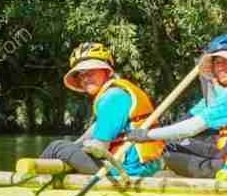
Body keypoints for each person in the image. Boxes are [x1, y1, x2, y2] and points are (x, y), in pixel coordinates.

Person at [126, 34, 227, 177]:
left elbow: (191, 128)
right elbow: (199, 113)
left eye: (226, 61)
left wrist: (146, 135)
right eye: (216, 62)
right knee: (173, 144)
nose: (220, 67)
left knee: (170, 153)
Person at [38, 42, 165, 177]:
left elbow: (100, 147)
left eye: (90, 72)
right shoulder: (117, 93)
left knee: (56, 147)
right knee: (67, 148)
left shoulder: (112, 97)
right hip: (143, 166)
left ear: (106, 71)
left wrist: (74, 151)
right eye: (81, 75)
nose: (85, 79)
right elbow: (94, 131)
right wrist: (75, 147)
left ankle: (32, 182)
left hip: (128, 169)